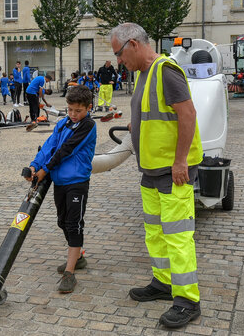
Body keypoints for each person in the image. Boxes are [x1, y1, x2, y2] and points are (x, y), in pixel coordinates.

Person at [110, 22, 203, 329]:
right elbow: (151, 114)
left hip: (172, 170)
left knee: (177, 236)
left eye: (120, 54)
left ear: (134, 44)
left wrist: (180, 162)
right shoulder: (142, 75)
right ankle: (163, 283)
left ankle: (187, 300)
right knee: (155, 232)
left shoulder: (166, 71)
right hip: (150, 169)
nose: (119, 62)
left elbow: (187, 114)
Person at [25, 85, 96, 293]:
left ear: (88, 108)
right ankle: (79, 257)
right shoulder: (64, 123)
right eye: (70, 110)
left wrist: (45, 170)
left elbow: (65, 150)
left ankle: (70, 273)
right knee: (62, 222)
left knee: (74, 224)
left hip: (77, 182)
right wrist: (34, 166)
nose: (73, 115)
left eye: (78, 111)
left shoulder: (88, 125)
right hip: (60, 182)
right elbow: (49, 146)